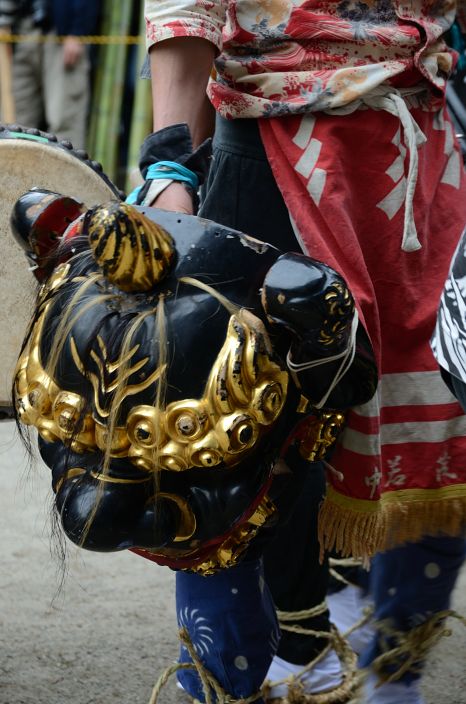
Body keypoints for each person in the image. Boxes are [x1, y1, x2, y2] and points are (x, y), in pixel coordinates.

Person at [139, 1, 466, 703]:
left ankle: (392, 674)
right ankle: (257, 670)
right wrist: (172, 161)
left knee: (447, 415)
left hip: (430, 146)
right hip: (269, 145)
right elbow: (184, 9)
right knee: (232, 434)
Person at [0, 0, 100, 148]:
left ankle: (66, 170)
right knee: (14, 124)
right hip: (19, 29)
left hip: (60, 29)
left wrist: (77, 30)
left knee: (63, 118)